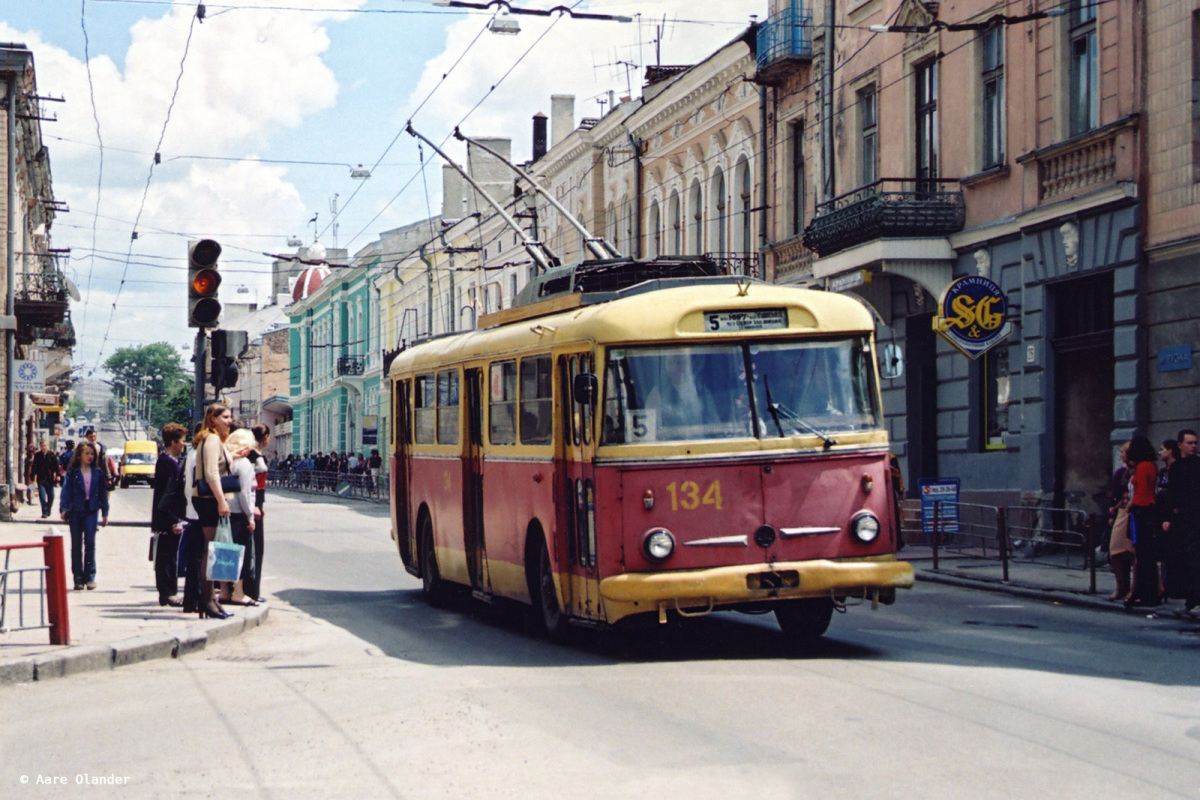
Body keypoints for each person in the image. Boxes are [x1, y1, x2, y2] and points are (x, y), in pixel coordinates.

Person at [192, 403, 236, 620]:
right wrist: (221, 501)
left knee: (212, 550)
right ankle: (207, 601)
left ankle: (211, 600)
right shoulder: (211, 439)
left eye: (230, 417)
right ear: (212, 419)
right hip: (209, 499)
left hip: (209, 499)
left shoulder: (215, 439)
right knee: (210, 551)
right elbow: (211, 473)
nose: (230, 421)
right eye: (225, 417)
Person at [59, 441, 110, 591]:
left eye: (92, 454)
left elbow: (103, 494)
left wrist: (105, 513)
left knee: (90, 543)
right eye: (87, 453)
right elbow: (66, 492)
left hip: (91, 511)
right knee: (76, 545)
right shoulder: (72, 473)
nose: (90, 456)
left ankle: (90, 576)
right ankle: (78, 578)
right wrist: (64, 508)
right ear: (79, 455)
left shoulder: (98, 473)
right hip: (75, 511)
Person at [219, 428, 259, 606]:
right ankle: (239, 592)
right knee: (241, 553)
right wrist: (250, 516)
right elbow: (245, 494)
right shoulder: (243, 465)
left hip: (224, 512)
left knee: (224, 551)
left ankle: (224, 591)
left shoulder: (226, 461)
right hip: (238, 514)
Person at [151, 423, 189, 607]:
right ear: (173, 442)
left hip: (166, 516)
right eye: (182, 440)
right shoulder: (169, 463)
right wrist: (175, 520)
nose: (185, 444)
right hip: (168, 517)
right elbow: (169, 494)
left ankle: (167, 593)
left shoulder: (167, 460)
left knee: (168, 556)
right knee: (167, 557)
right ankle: (168, 592)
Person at [1125, 435, 1160, 609]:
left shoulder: (1142, 467)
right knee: (1148, 556)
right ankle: (1150, 593)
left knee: (1141, 555)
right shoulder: (1152, 465)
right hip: (1150, 510)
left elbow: (1141, 494)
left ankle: (1144, 594)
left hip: (1141, 511)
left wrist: (1130, 507)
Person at [1107, 442, 1134, 601]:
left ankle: (1133, 588)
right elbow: (1115, 493)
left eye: (1123, 452)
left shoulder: (1137, 470)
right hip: (1122, 512)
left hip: (1134, 511)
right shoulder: (1120, 472)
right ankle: (1121, 587)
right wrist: (1112, 512)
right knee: (1116, 549)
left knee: (1132, 551)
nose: (1121, 454)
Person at [31, 439, 60, 519]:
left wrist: (57, 475)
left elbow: (56, 466)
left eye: (45, 445)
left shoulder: (52, 455)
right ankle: (44, 512)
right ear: (40, 446)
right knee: (42, 497)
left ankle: (48, 508)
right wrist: (32, 477)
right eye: (42, 446)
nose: (43, 447)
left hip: (50, 479)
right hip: (40, 479)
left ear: (47, 446)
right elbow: (34, 467)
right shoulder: (37, 455)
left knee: (51, 496)